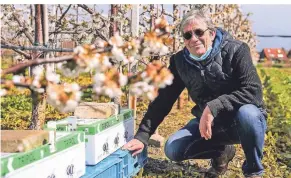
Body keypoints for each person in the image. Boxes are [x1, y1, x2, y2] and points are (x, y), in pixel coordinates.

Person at [123, 8, 267, 178]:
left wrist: (213, 107)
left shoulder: (237, 51)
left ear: (212, 34)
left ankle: (253, 170)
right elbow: (164, 99)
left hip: (241, 123)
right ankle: (221, 153)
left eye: (199, 32)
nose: (194, 39)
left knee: (248, 114)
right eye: (188, 35)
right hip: (210, 126)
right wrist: (143, 136)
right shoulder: (180, 62)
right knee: (173, 149)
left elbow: (253, 92)